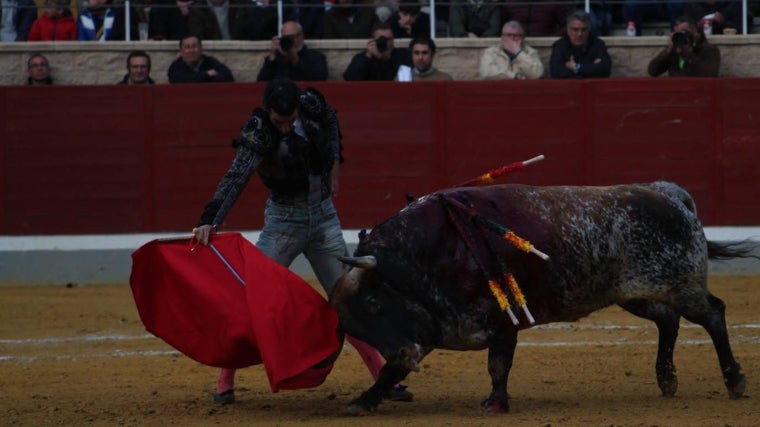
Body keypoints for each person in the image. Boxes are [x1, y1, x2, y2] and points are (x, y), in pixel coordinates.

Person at [191, 78, 414, 405]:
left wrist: (335, 163)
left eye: (289, 121)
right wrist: (210, 218)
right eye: (278, 122)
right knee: (251, 298)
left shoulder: (310, 105)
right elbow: (236, 176)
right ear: (268, 112)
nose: (284, 128)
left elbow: (333, 120)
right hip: (283, 222)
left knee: (348, 301)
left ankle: (385, 379)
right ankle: (225, 382)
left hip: (324, 219)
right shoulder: (259, 130)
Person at [647, 15, 720, 77]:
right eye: (677, 33)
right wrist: (667, 51)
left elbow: (710, 74)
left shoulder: (709, 49)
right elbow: (653, 71)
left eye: (683, 32)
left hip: (698, 91)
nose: (681, 36)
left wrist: (687, 54)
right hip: (676, 91)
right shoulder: (674, 51)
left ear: (694, 31)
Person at [256, 21, 327, 82]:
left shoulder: (316, 58)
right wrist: (272, 57)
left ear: (301, 36)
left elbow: (319, 80)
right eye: (285, 38)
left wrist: (295, 60)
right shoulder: (276, 59)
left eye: (292, 37)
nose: (289, 40)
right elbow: (260, 83)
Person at [549, 10, 611, 79]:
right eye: (575, 30)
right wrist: (591, 68)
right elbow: (556, 73)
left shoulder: (598, 44)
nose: (579, 34)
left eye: (584, 29)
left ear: (589, 29)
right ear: (568, 30)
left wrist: (576, 67)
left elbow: (605, 70)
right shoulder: (559, 45)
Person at [342, 22, 412, 81]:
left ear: (393, 40)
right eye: (381, 39)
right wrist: (367, 56)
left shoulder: (403, 55)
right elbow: (349, 78)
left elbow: (405, 78)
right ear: (373, 40)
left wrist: (387, 59)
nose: (386, 42)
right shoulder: (362, 57)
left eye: (389, 39)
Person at [479, 20, 544, 80]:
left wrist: (519, 53)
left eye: (515, 35)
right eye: (508, 35)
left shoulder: (530, 52)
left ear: (522, 37)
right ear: (502, 37)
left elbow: (537, 74)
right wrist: (514, 76)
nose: (512, 38)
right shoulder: (491, 52)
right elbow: (486, 73)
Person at [167, 35, 235, 83]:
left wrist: (196, 79)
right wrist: (206, 75)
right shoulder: (175, 66)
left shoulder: (210, 61)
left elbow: (227, 77)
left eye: (194, 46)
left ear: (201, 49)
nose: (191, 50)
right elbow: (180, 81)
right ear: (181, 51)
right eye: (187, 47)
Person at [500, 0, 569, 37]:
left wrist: (552, 38)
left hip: (546, 46)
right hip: (514, 45)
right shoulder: (510, 3)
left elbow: (568, 25)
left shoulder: (554, 2)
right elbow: (501, 25)